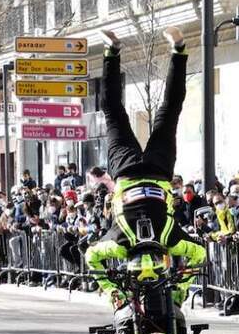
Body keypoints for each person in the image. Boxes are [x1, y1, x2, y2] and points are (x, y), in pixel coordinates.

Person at [85, 27, 206, 310]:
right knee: (116, 111)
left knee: (168, 111)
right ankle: (115, 52)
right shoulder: (121, 241)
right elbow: (92, 257)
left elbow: (199, 254)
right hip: (130, 170)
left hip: (153, 170)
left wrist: (114, 293)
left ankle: (177, 50)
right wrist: (179, 291)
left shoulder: (165, 237)